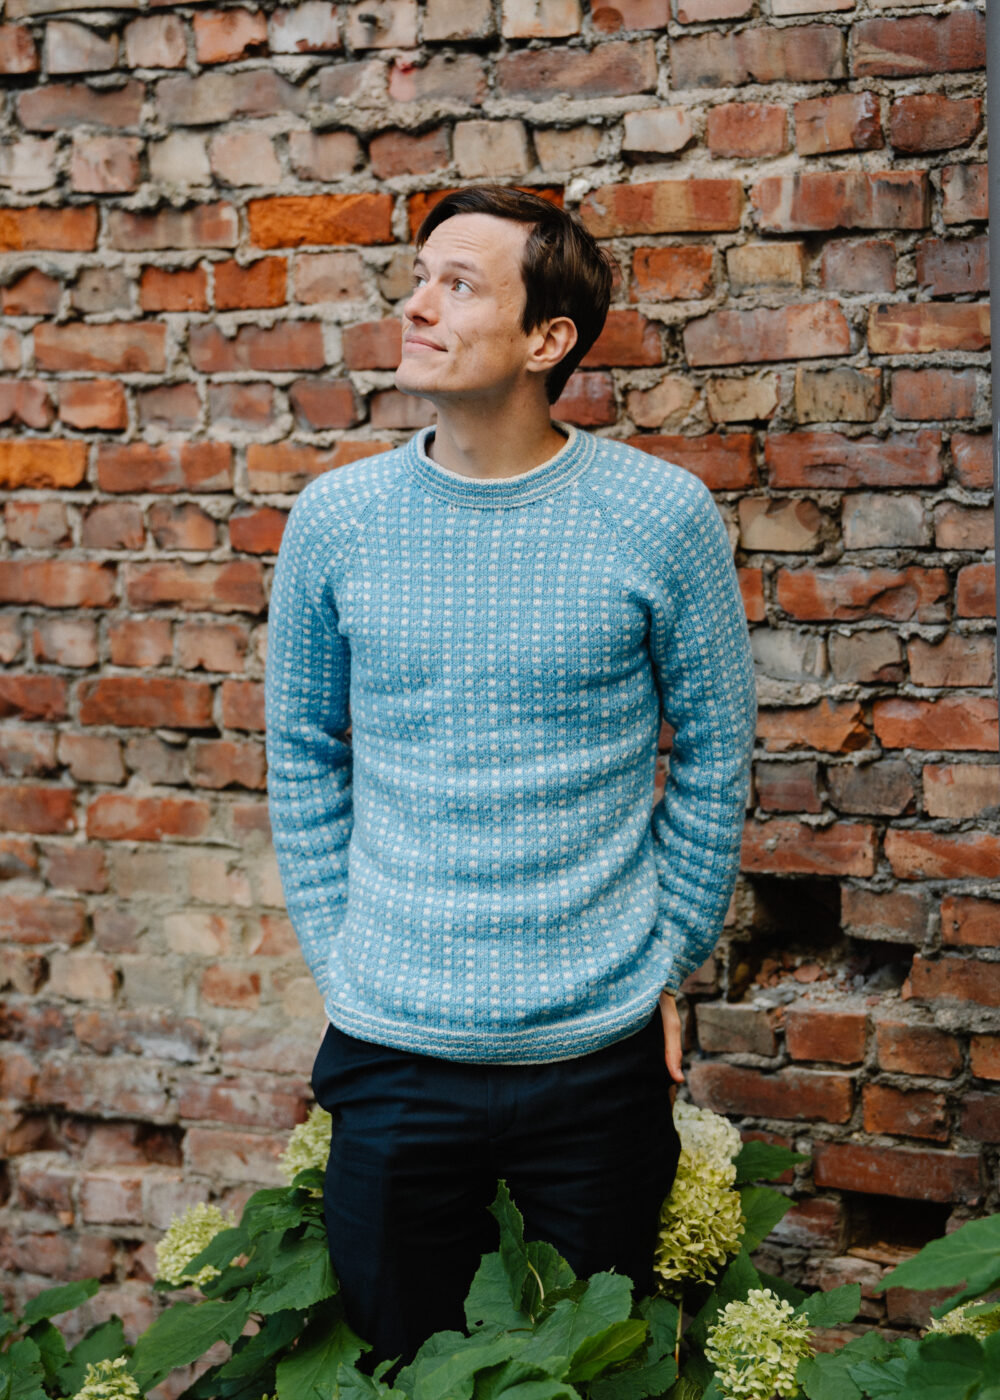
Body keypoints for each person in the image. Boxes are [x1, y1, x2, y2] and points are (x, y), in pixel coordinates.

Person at [264, 185, 757, 1363]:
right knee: (399, 1369)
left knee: (587, 1374)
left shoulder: (660, 515)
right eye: (418, 277)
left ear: (548, 339)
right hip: (392, 1050)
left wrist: (663, 955)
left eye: (458, 284)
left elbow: (716, 748)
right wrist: (341, 955)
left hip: (594, 1055)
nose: (416, 305)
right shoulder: (336, 519)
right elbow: (301, 751)